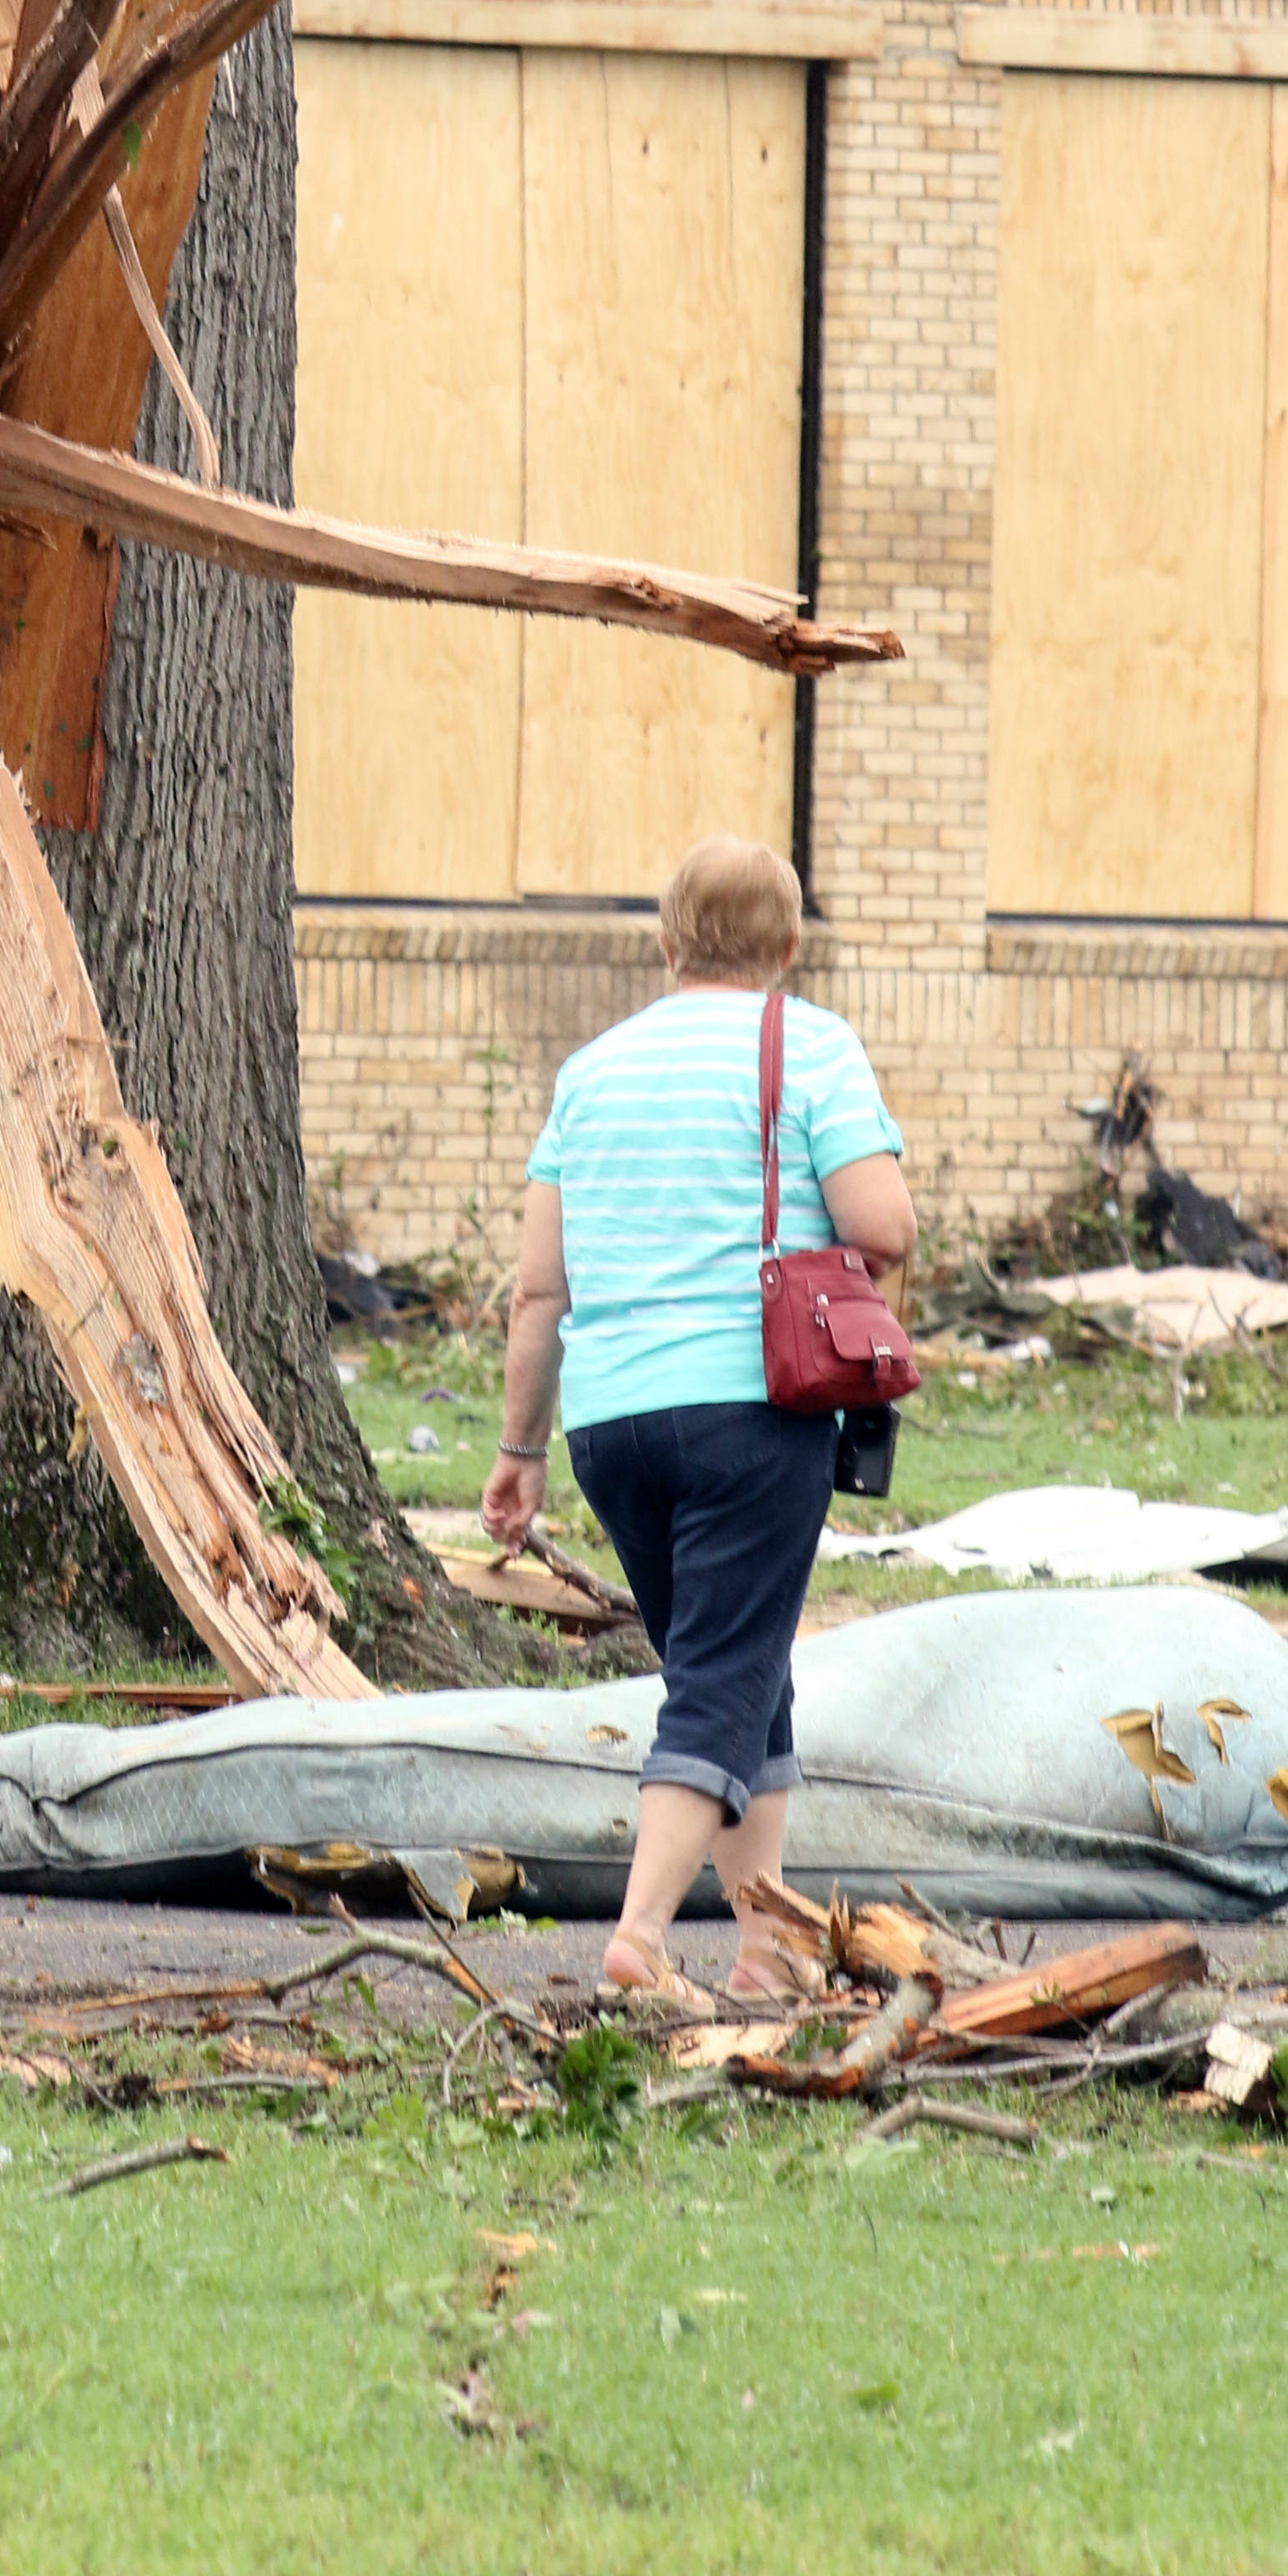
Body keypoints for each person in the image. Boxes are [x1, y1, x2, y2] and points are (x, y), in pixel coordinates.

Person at [481, 831, 913, 2010]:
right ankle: (640, 1935)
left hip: (613, 1426)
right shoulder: (811, 1045)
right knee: (720, 1679)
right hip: (752, 1411)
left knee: (740, 1665)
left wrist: (519, 1453)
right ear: (787, 946)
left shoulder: (590, 1072)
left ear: (668, 944)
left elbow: (537, 1290)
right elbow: (885, 1226)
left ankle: (768, 1948)